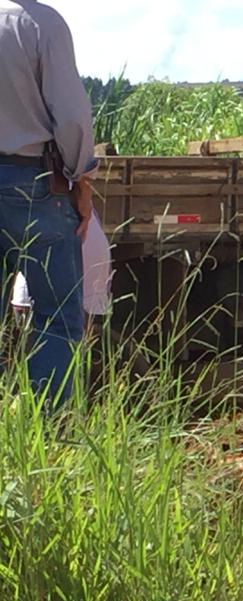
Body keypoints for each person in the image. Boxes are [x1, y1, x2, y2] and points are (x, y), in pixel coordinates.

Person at [1, 0, 96, 403]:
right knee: (56, 317)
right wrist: (82, 179)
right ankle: (51, 436)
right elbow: (73, 117)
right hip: (32, 183)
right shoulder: (41, 24)